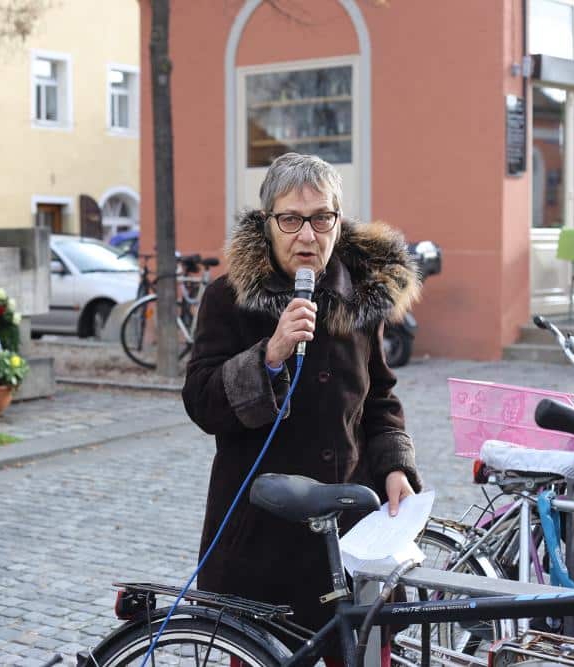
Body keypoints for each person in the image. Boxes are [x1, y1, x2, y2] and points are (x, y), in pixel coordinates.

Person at [181, 153, 422, 665]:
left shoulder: (360, 300)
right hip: (261, 538)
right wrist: (268, 357)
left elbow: (378, 398)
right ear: (268, 222)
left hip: (349, 539)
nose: (307, 236)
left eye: (321, 218)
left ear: (338, 220)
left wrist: (396, 465)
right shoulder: (228, 299)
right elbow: (201, 401)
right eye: (290, 219)